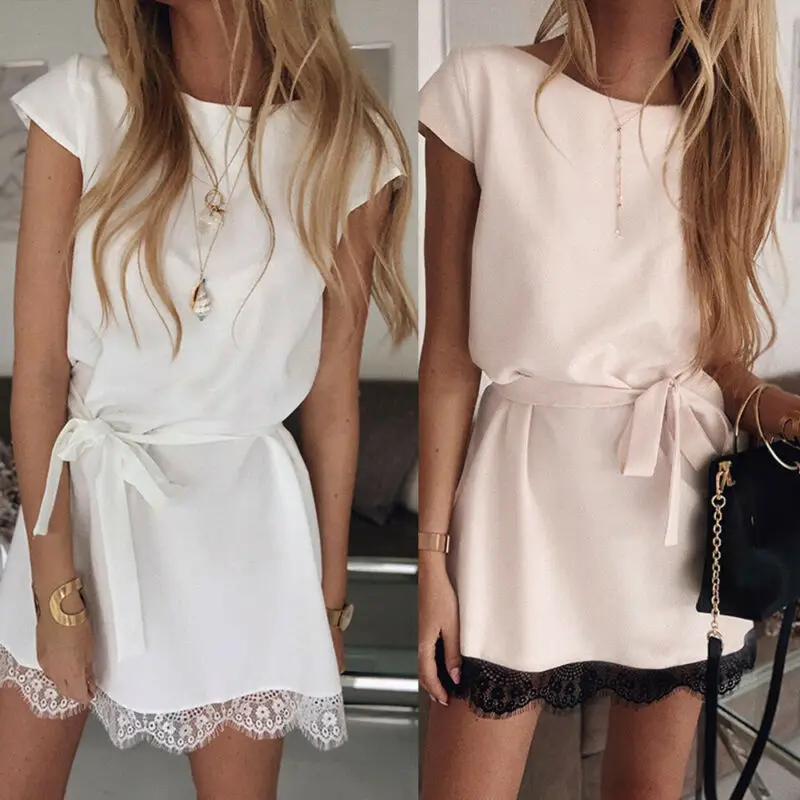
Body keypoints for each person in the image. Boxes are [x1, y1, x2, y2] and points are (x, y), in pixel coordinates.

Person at [0, 0, 414, 797]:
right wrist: (54, 594)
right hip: (85, 504)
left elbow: (333, 399)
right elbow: (42, 373)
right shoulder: (80, 106)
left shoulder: (346, 146)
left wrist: (328, 605)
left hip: (244, 525)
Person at [417, 1, 800, 798]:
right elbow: (450, 355)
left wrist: (782, 412)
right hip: (519, 499)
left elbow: (717, 361)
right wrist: (432, 560)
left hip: (679, 511)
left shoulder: (728, 122)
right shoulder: (479, 88)